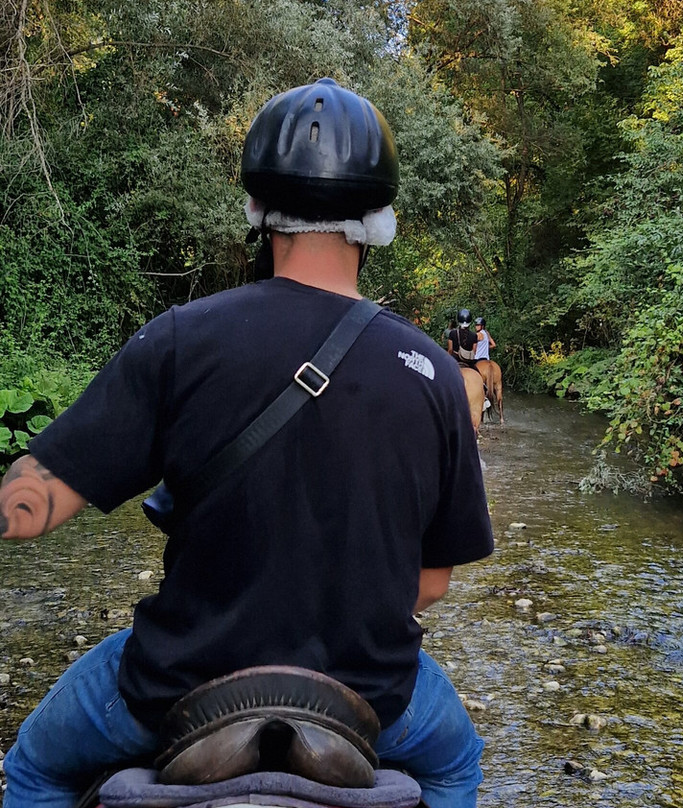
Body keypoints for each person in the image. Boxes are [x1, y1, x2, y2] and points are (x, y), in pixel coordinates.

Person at [0, 78, 493, 808]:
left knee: (35, 767)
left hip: (175, 686)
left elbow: (29, 511)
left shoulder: (177, 341)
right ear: (379, 217)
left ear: (256, 208)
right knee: (458, 767)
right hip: (369, 698)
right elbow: (431, 584)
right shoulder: (433, 375)